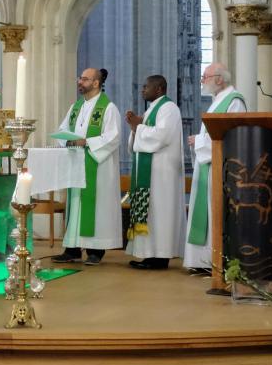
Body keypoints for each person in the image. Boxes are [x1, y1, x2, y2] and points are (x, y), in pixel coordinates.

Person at [52, 68, 122, 266]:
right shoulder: (76, 107)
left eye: (85, 79)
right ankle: (72, 249)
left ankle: (95, 250)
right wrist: (67, 140)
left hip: (96, 166)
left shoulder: (108, 108)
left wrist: (87, 142)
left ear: (96, 83)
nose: (80, 82)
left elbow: (113, 136)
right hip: (76, 164)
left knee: (95, 207)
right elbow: (63, 129)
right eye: (80, 78)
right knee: (75, 205)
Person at [184, 63, 246, 273]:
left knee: (215, 212)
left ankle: (217, 261)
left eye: (205, 76)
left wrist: (199, 142)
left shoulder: (234, 101)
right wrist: (199, 140)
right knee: (206, 213)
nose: (202, 80)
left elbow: (232, 136)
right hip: (208, 166)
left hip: (221, 169)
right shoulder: (217, 101)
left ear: (219, 79)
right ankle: (203, 262)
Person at [125, 75, 186, 269]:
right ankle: (149, 255)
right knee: (151, 213)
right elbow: (141, 139)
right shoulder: (152, 109)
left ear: (159, 89)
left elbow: (163, 136)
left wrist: (138, 127)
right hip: (151, 172)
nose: (142, 89)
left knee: (161, 213)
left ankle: (161, 257)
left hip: (162, 173)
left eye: (146, 86)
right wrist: (136, 129)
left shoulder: (169, 108)